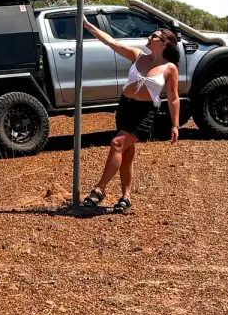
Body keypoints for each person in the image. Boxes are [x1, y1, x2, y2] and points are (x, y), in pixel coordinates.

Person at [77, 22, 181, 213]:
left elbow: (173, 97)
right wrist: (87, 25)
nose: (150, 37)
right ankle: (126, 196)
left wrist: (175, 125)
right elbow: (111, 43)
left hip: (144, 112)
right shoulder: (138, 56)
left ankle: (99, 190)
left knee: (117, 143)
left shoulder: (169, 68)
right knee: (127, 154)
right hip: (125, 107)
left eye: (154, 36)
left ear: (164, 43)